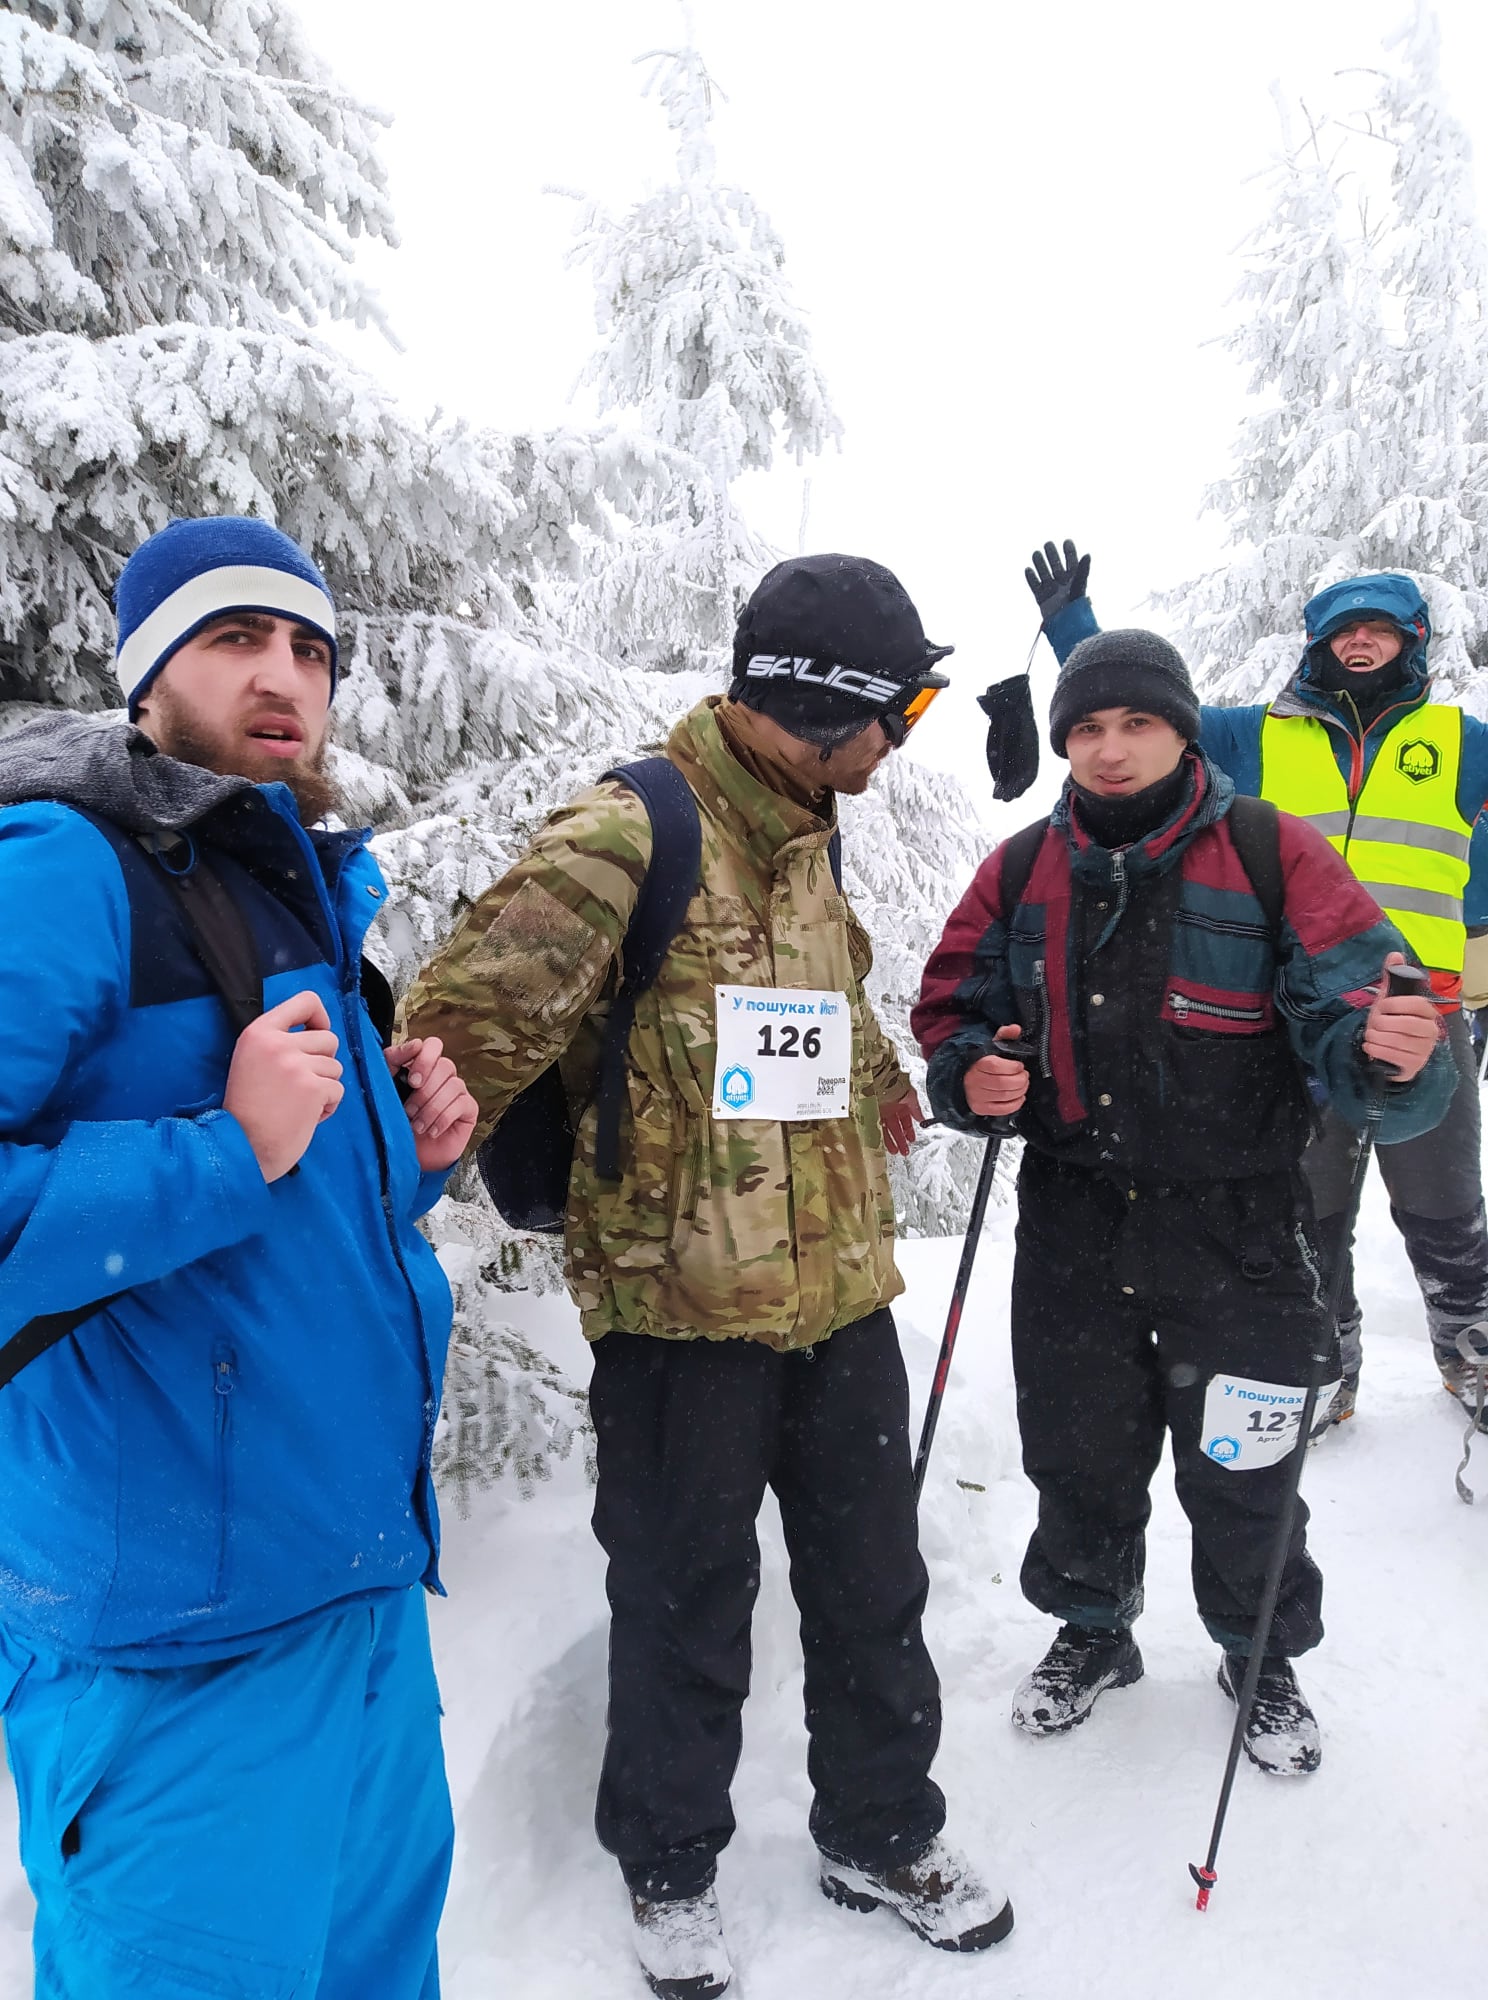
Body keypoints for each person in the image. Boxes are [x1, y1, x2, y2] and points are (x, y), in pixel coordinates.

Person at [403, 554, 1011, 2000]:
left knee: (872, 1585)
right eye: (900, 706)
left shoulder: (812, 829)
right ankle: (669, 1866)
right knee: (684, 1595)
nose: (902, 738)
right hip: (682, 1316)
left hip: (841, 1296)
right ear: (828, 702)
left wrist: (873, 1077)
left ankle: (880, 1833)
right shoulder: (634, 830)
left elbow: (815, 1002)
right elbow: (453, 1032)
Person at [0, 516, 478, 1999]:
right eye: (234, 638)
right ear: (147, 673)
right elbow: (232, 1161)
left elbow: (282, 1229)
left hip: (360, 1607)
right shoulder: (66, 868)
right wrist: (226, 1151)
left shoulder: (295, 891)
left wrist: (414, 1161)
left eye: (310, 648)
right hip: (173, 1657)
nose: (284, 674)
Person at [914, 626, 1450, 1771]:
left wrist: (1389, 1049)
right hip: (1072, 1210)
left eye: (1137, 723)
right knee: (1080, 1444)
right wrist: (970, 1070)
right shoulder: (1018, 867)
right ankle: (1094, 1629)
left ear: (1182, 729)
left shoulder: (1271, 850)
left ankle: (1261, 1651)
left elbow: (1354, 1003)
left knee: (1245, 1457)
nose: (1110, 750)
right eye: (1088, 729)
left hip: (1243, 1219)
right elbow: (953, 1002)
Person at [1030, 544, 1488, 1432]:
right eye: (1343, 630)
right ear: (1316, 643)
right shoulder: (1260, 736)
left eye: (1380, 630)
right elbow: (1152, 722)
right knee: (1308, 1205)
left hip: (1419, 1019)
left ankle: (1470, 1349)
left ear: (1415, 643)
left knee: (1444, 1204)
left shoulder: (1462, 744)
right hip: (1302, 1018)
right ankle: (1328, 1365)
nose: (1360, 643)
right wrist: (1073, 631)